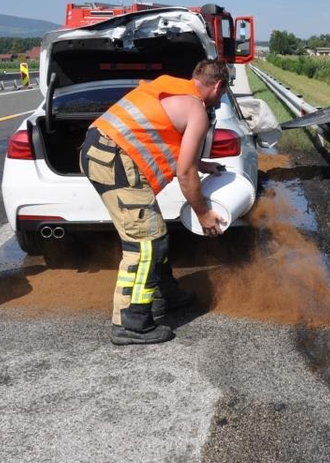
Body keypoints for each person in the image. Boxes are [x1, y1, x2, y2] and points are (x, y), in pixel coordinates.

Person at [80, 59, 229, 345]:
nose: (218, 101)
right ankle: (131, 322)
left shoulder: (170, 86)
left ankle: (164, 294)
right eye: (221, 95)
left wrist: (202, 164)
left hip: (101, 150)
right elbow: (184, 174)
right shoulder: (196, 108)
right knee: (146, 243)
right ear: (218, 86)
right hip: (115, 160)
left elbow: (159, 132)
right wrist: (204, 214)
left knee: (154, 230)